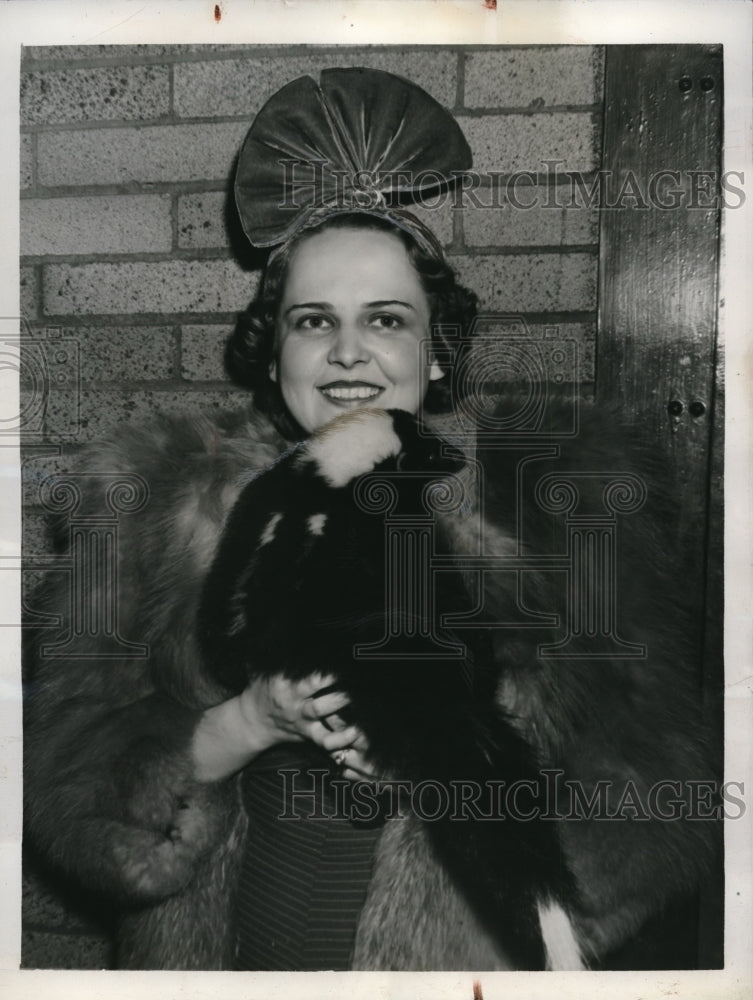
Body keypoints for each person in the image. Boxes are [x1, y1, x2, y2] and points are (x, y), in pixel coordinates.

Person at [23, 68, 719, 972]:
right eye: (314, 322)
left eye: (385, 320)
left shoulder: (559, 497)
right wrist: (247, 722)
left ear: (436, 352)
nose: (348, 353)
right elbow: (73, 799)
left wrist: (448, 770)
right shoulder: (158, 501)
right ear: (274, 351)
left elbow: (657, 814)